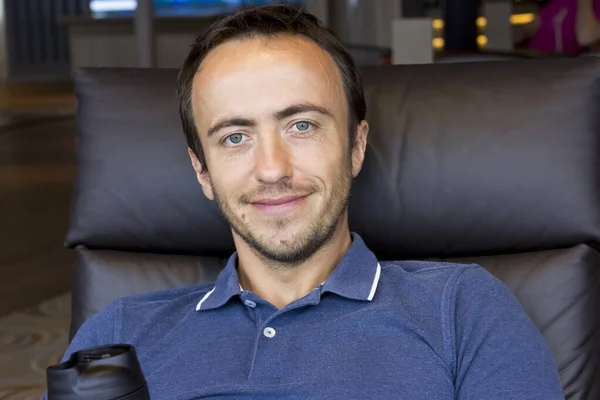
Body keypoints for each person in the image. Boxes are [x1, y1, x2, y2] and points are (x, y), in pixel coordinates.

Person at [43, 4, 564, 399]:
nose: (272, 168)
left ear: (356, 147)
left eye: (301, 125)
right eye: (234, 137)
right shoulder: (121, 331)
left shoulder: (462, 309)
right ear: (202, 171)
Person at [516, 0, 600, 55]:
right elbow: (532, 26)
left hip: (563, 68)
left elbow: (585, 38)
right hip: (536, 61)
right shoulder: (561, 2)